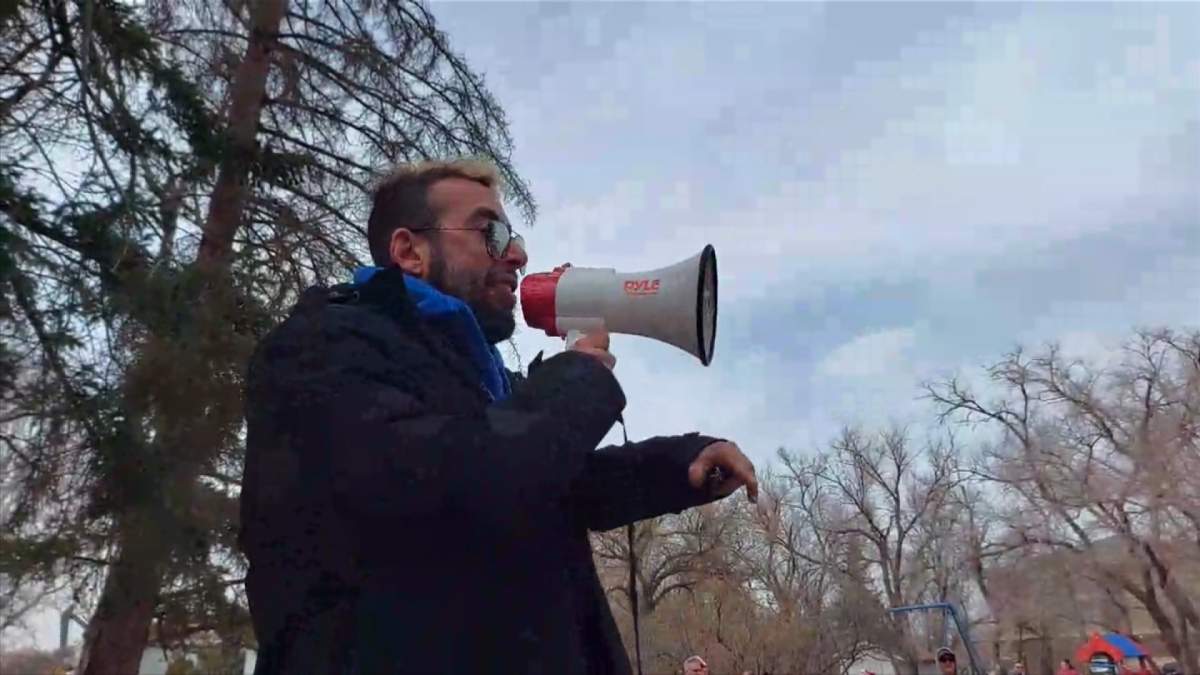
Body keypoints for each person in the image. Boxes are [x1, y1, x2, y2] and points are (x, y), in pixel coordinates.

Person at [238, 159, 759, 675]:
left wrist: (678, 463)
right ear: (409, 251)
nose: (518, 253)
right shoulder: (320, 350)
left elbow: (558, 487)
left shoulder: (484, 381)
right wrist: (575, 382)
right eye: (491, 231)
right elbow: (453, 481)